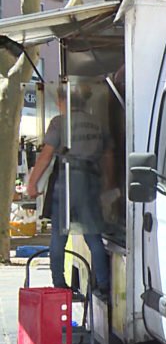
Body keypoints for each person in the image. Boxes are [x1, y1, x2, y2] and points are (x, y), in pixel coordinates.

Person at [26, 86, 112, 295]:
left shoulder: (59, 123)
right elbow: (108, 157)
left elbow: (46, 156)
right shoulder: (97, 124)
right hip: (91, 181)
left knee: (59, 235)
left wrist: (32, 183)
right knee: (93, 237)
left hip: (66, 179)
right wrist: (108, 186)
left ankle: (59, 285)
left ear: (64, 101)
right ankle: (103, 284)